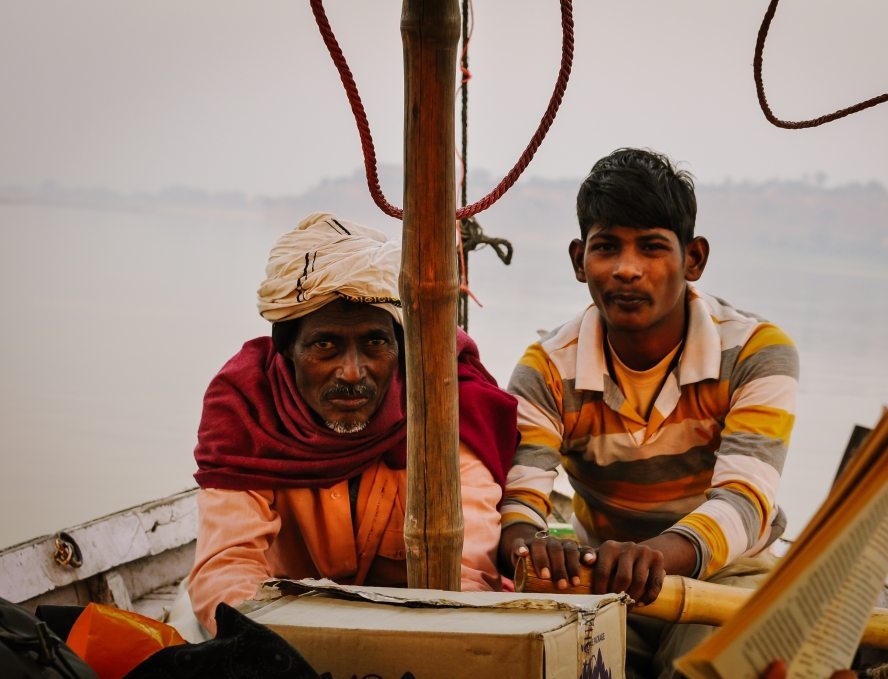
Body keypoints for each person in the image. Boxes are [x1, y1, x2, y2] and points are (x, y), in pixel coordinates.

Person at [498, 149, 799, 678]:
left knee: (714, 660)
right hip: (606, 583)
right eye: (607, 247)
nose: (627, 269)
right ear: (578, 260)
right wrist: (533, 550)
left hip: (728, 576)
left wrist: (657, 554)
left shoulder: (757, 352)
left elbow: (745, 501)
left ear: (693, 258)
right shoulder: (546, 369)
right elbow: (520, 503)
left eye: (653, 247)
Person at [187, 212, 519, 635]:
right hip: (286, 640)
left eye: (374, 343)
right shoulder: (247, 409)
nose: (351, 372)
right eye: (325, 345)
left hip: (421, 638)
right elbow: (227, 570)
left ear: (401, 347)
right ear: (287, 351)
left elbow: (469, 573)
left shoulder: (446, 401)